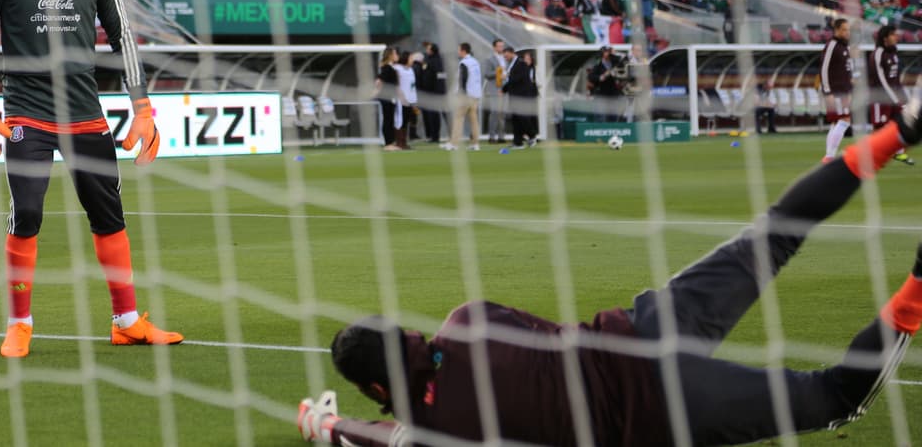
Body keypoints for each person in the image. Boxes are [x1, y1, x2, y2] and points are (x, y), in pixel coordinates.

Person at [300, 103, 922, 447]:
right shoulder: (467, 319)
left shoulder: (442, 429)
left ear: (379, 390)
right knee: (776, 232)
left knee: (837, 397)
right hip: (640, 326)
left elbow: (388, 435)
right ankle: (902, 130)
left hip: (660, 411)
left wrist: (328, 426)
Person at [0, 0, 181, 358]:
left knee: (108, 213)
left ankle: (127, 321)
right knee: (29, 211)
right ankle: (20, 324)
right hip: (27, 112)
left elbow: (123, 36)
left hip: (84, 110)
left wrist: (142, 108)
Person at [868, 24, 913, 165]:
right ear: (885, 38)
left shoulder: (893, 53)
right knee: (879, 126)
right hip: (879, 98)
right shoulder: (877, 54)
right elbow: (881, 80)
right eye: (893, 35)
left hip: (894, 97)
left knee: (899, 124)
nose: (896, 37)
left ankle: (899, 153)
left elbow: (896, 79)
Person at [820, 18, 854, 163]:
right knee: (845, 120)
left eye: (848, 29)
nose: (847, 32)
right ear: (837, 30)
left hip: (844, 90)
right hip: (836, 91)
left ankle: (829, 155)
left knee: (836, 123)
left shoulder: (843, 47)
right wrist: (827, 92)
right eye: (845, 30)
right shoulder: (832, 45)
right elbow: (824, 69)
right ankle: (829, 155)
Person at [441, 43, 482, 151]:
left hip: (466, 95)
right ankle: (475, 143)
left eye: (459, 49)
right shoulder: (475, 62)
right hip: (475, 95)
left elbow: (463, 79)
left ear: (463, 51)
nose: (458, 51)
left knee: (458, 118)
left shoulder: (464, 63)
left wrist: (461, 93)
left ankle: (454, 143)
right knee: (474, 120)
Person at [503, 50, 538, 148]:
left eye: (506, 56)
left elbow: (517, 79)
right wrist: (504, 89)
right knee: (516, 119)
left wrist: (507, 77)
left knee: (523, 117)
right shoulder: (513, 64)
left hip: (522, 96)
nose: (505, 58)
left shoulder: (521, 64)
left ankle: (532, 135)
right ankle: (518, 142)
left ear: (511, 53)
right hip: (514, 96)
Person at [482, 39, 513, 143]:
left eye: (502, 46)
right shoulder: (489, 59)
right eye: (499, 46)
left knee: (502, 114)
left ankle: (501, 136)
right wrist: (498, 73)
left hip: (504, 89)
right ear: (494, 47)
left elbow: (509, 72)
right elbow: (486, 74)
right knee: (494, 113)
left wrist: (506, 75)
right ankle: (492, 136)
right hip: (494, 89)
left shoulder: (507, 59)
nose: (501, 48)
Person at [373, 46, 402, 151]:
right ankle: (388, 143)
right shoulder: (387, 67)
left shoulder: (391, 67)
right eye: (395, 54)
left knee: (390, 119)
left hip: (391, 97)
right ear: (390, 56)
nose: (397, 56)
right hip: (386, 97)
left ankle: (391, 142)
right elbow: (379, 81)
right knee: (388, 120)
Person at [587, 46, 625, 122]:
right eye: (607, 52)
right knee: (600, 117)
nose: (609, 54)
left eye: (609, 51)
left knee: (613, 117)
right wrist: (601, 77)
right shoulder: (598, 64)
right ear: (603, 54)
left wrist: (614, 53)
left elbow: (623, 62)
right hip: (601, 94)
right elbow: (590, 76)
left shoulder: (615, 62)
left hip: (613, 94)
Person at [418, 42, 444, 142]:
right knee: (437, 115)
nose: (427, 51)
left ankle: (434, 136)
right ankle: (435, 135)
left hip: (432, 92)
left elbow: (429, 77)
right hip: (440, 91)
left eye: (428, 49)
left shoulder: (431, 61)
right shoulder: (440, 60)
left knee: (433, 115)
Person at [393, 50, 418, 150]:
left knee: (407, 121)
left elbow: (412, 86)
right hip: (401, 100)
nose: (412, 60)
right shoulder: (398, 69)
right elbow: (396, 84)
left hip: (411, 100)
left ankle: (404, 142)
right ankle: (399, 142)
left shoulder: (411, 70)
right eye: (411, 58)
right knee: (400, 121)